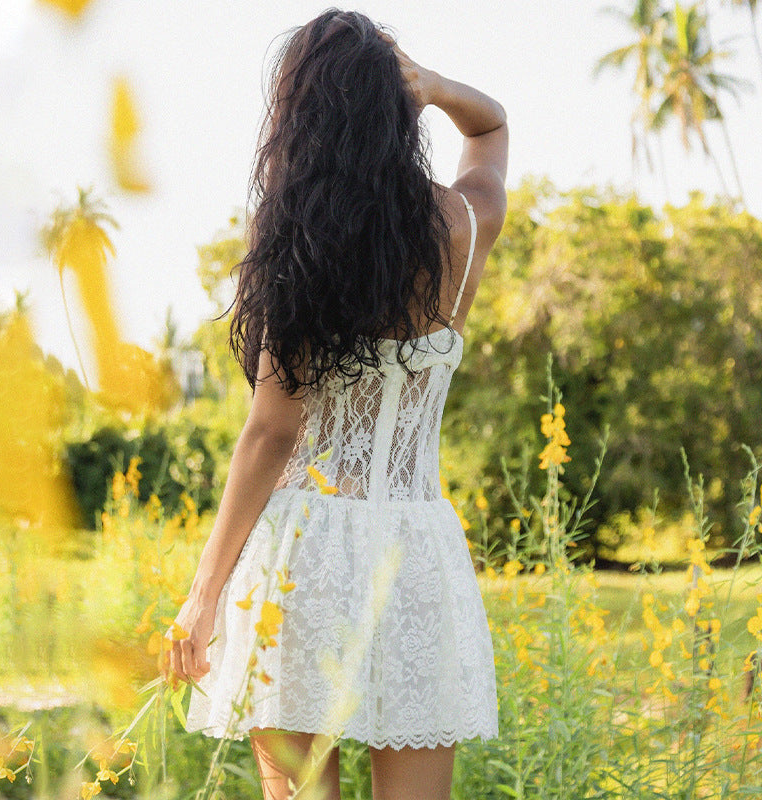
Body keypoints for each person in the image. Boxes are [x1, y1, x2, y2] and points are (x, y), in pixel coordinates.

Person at [163, 9, 508, 799]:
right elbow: (491, 132)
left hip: (301, 556)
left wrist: (205, 592)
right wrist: (439, 87)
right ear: (397, 106)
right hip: (415, 552)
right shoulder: (461, 223)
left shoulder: (293, 234)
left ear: (300, 115)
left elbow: (270, 432)